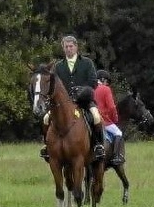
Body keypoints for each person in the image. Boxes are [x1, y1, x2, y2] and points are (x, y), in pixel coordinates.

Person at [42, 34, 106, 163]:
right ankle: (46, 146)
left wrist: (81, 91)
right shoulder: (58, 66)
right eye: (66, 47)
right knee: (46, 118)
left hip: (84, 101)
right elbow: (55, 85)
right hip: (64, 104)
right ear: (63, 48)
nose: (69, 49)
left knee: (96, 117)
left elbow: (93, 82)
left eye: (71, 46)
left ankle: (98, 145)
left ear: (76, 47)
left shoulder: (87, 63)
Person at [93, 70, 125, 167]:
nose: (107, 84)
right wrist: (114, 118)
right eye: (107, 81)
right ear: (103, 80)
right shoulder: (105, 89)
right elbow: (111, 107)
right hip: (104, 120)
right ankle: (116, 156)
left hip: (92, 119)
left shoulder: (92, 89)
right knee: (119, 133)